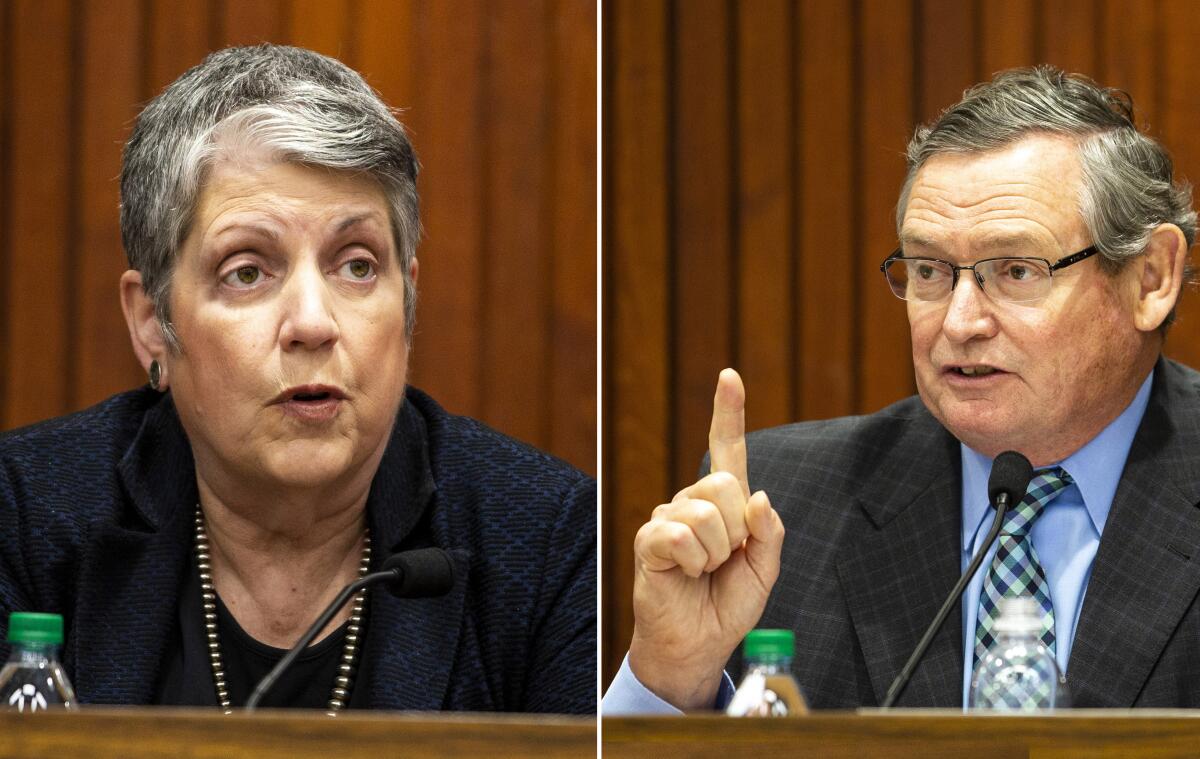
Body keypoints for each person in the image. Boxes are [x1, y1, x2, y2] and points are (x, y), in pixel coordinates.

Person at [0, 44, 595, 713]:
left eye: (358, 265)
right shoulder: (25, 515)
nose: (313, 322)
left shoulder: (542, 535)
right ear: (151, 324)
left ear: (407, 303)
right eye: (248, 270)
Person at [604, 65, 1200, 712]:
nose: (959, 321)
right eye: (929, 270)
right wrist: (670, 679)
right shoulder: (777, 513)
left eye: (1017, 270)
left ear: (1150, 278)